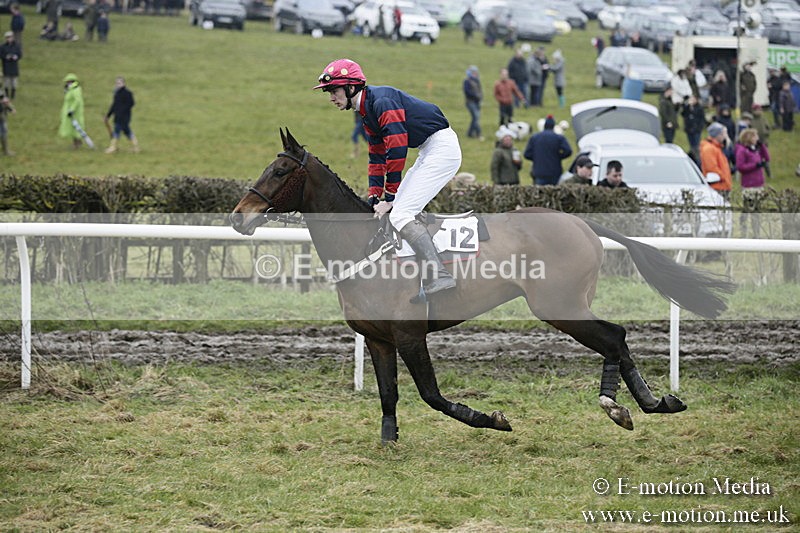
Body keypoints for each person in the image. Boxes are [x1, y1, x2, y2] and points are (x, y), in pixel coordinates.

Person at [313, 58, 460, 300]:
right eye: (329, 92)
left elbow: (397, 149)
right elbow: (377, 155)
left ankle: (439, 275)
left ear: (351, 87)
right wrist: (374, 195)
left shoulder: (381, 102)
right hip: (428, 149)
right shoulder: (367, 110)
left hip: (442, 150)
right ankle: (416, 277)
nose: (331, 97)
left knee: (400, 213)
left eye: (334, 90)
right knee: (399, 211)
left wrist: (390, 196)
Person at [523, 114, 572, 186]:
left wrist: (537, 157)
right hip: (555, 172)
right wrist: (559, 156)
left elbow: (527, 154)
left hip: (539, 172)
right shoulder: (559, 138)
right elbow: (568, 151)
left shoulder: (535, 138)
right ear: (553, 126)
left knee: (540, 192)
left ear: (544, 125)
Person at [104, 76, 138, 153]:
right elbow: (114, 105)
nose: (118, 84)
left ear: (123, 83)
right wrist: (108, 115)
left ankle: (113, 147)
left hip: (124, 117)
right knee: (127, 132)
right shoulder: (116, 94)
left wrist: (122, 111)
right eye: (117, 83)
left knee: (117, 131)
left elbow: (131, 103)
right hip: (118, 117)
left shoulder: (127, 93)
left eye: (119, 83)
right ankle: (135, 146)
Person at [699, 122, 732, 198]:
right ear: (717, 135)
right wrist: (724, 178)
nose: (725, 136)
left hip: (722, 186)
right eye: (723, 134)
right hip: (717, 187)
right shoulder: (709, 149)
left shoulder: (717, 148)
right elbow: (711, 168)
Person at [59, 72, 87, 150]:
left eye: (69, 82)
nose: (67, 83)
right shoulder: (70, 89)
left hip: (75, 113)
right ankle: (76, 142)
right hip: (69, 112)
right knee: (71, 128)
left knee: (75, 128)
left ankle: (77, 143)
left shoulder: (75, 89)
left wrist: (72, 109)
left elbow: (77, 100)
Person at [681, 95, 706, 162]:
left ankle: (698, 159)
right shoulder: (687, 107)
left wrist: (699, 127)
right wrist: (686, 106)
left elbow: (702, 118)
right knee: (691, 144)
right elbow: (683, 114)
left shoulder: (699, 108)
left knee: (696, 144)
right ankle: (693, 158)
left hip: (696, 129)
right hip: (689, 128)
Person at [462, 65, 483, 140]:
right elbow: (467, 92)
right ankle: (478, 134)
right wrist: (475, 96)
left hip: (477, 102)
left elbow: (480, 90)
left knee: (475, 118)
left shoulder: (477, 81)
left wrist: (480, 97)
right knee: (476, 117)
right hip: (470, 102)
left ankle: (470, 133)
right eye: (473, 72)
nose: (475, 74)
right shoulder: (467, 81)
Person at [0, 32, 21, 100]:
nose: (9, 39)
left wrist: (16, 57)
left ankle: (13, 95)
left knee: (14, 82)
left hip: (14, 66)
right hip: (6, 65)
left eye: (10, 37)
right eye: (7, 37)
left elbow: (19, 54)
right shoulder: (3, 46)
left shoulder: (16, 46)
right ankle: (6, 95)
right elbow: (1, 55)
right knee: (6, 82)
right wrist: (6, 57)